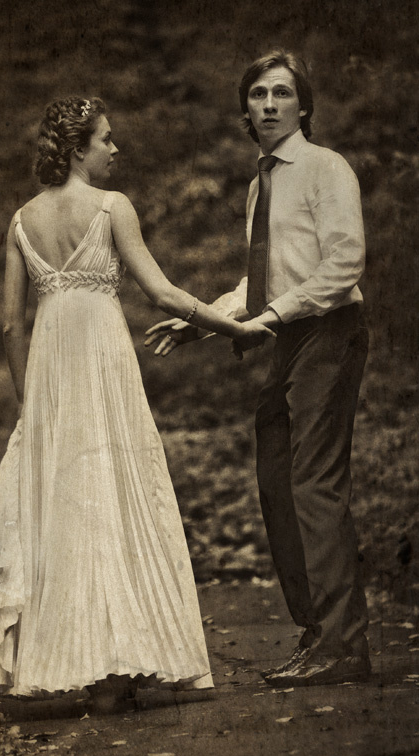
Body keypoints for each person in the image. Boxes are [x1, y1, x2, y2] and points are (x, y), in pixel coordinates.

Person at [0, 96, 274, 705]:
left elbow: (10, 327)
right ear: (77, 149)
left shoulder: (21, 220)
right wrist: (233, 327)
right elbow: (161, 292)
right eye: (106, 139)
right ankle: (118, 663)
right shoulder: (112, 206)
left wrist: (30, 406)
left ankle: (81, 664)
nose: (116, 149)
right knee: (112, 492)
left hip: (50, 372)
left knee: (67, 502)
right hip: (100, 362)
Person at [145, 50, 370, 687]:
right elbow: (261, 280)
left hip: (330, 331)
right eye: (258, 95)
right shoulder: (259, 185)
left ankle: (344, 645)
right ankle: (317, 633)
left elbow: (344, 264)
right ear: (245, 108)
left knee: (313, 483)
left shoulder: (326, 168)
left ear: (304, 105)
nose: (269, 105)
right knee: (275, 482)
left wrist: (272, 315)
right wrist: (201, 323)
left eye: (282, 93)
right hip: (288, 334)